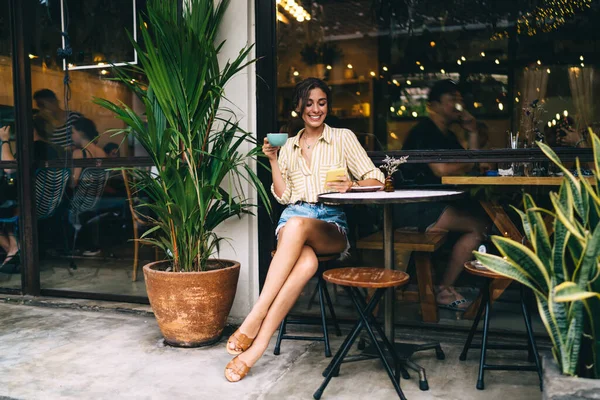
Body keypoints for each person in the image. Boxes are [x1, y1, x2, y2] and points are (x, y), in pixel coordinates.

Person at [224, 77, 385, 382]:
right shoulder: (289, 146)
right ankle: (255, 350)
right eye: (309, 103)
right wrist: (272, 159)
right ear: (298, 107)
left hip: (331, 223)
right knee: (306, 261)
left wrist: (352, 185)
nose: (315, 109)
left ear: (328, 106)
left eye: (321, 103)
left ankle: (254, 317)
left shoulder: (343, 138)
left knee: (298, 224)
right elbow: (284, 197)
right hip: (294, 218)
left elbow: (376, 179)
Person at [396, 79, 489, 311]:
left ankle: (442, 286)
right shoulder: (424, 131)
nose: (457, 107)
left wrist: (473, 131)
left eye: (459, 101)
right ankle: (444, 289)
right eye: (451, 101)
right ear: (433, 105)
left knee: (481, 216)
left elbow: (471, 160)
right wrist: (470, 165)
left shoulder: (447, 135)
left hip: (435, 203)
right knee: (478, 226)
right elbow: (443, 170)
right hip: (413, 206)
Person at [0, 116, 63, 270]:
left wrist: (5, 140)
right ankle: (14, 249)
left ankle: (14, 249)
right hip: (48, 204)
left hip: (30, 205)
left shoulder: (33, 147)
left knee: (5, 206)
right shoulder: (54, 149)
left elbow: (9, 168)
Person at [71, 117, 106, 186]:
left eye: (73, 132)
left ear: (81, 133)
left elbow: (74, 182)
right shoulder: (101, 152)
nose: (71, 136)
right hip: (99, 195)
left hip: (81, 195)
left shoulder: (79, 153)